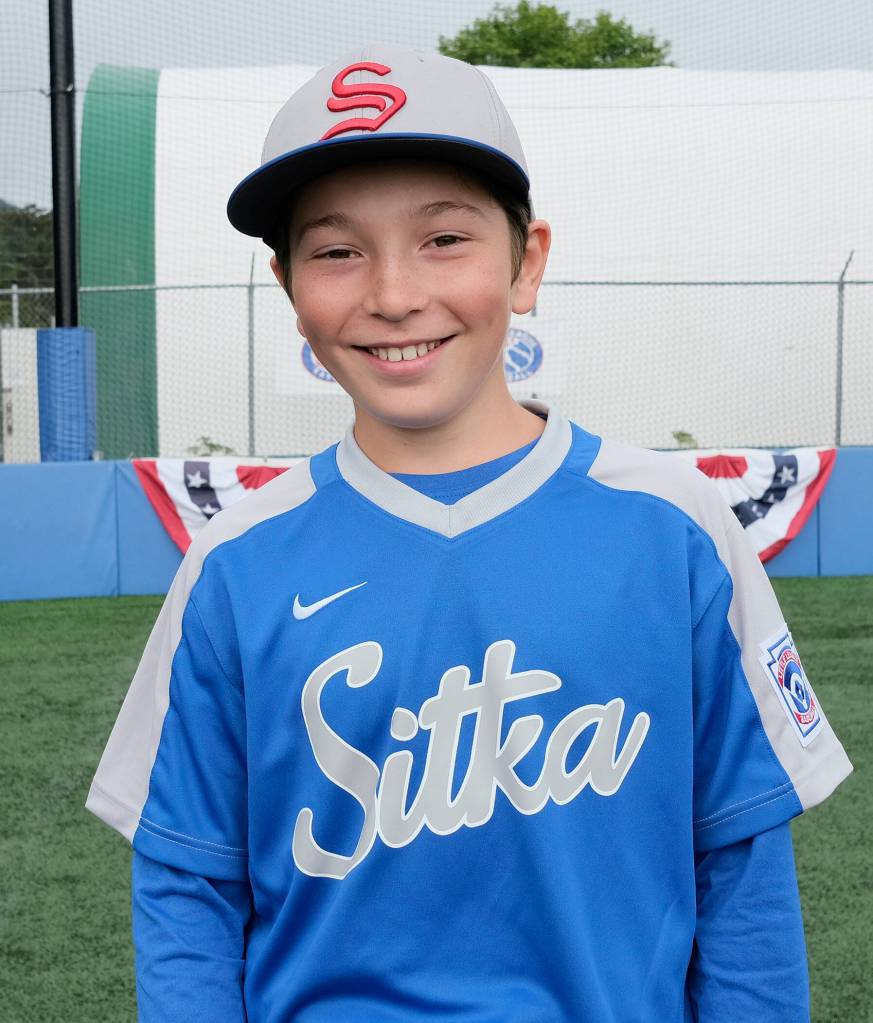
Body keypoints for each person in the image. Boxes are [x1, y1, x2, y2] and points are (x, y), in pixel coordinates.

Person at [86, 44, 852, 1022]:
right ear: (287, 286)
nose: (394, 294)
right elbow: (189, 884)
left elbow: (740, 870)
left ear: (527, 262)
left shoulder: (675, 526)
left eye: (444, 238)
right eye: (336, 251)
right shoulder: (238, 561)